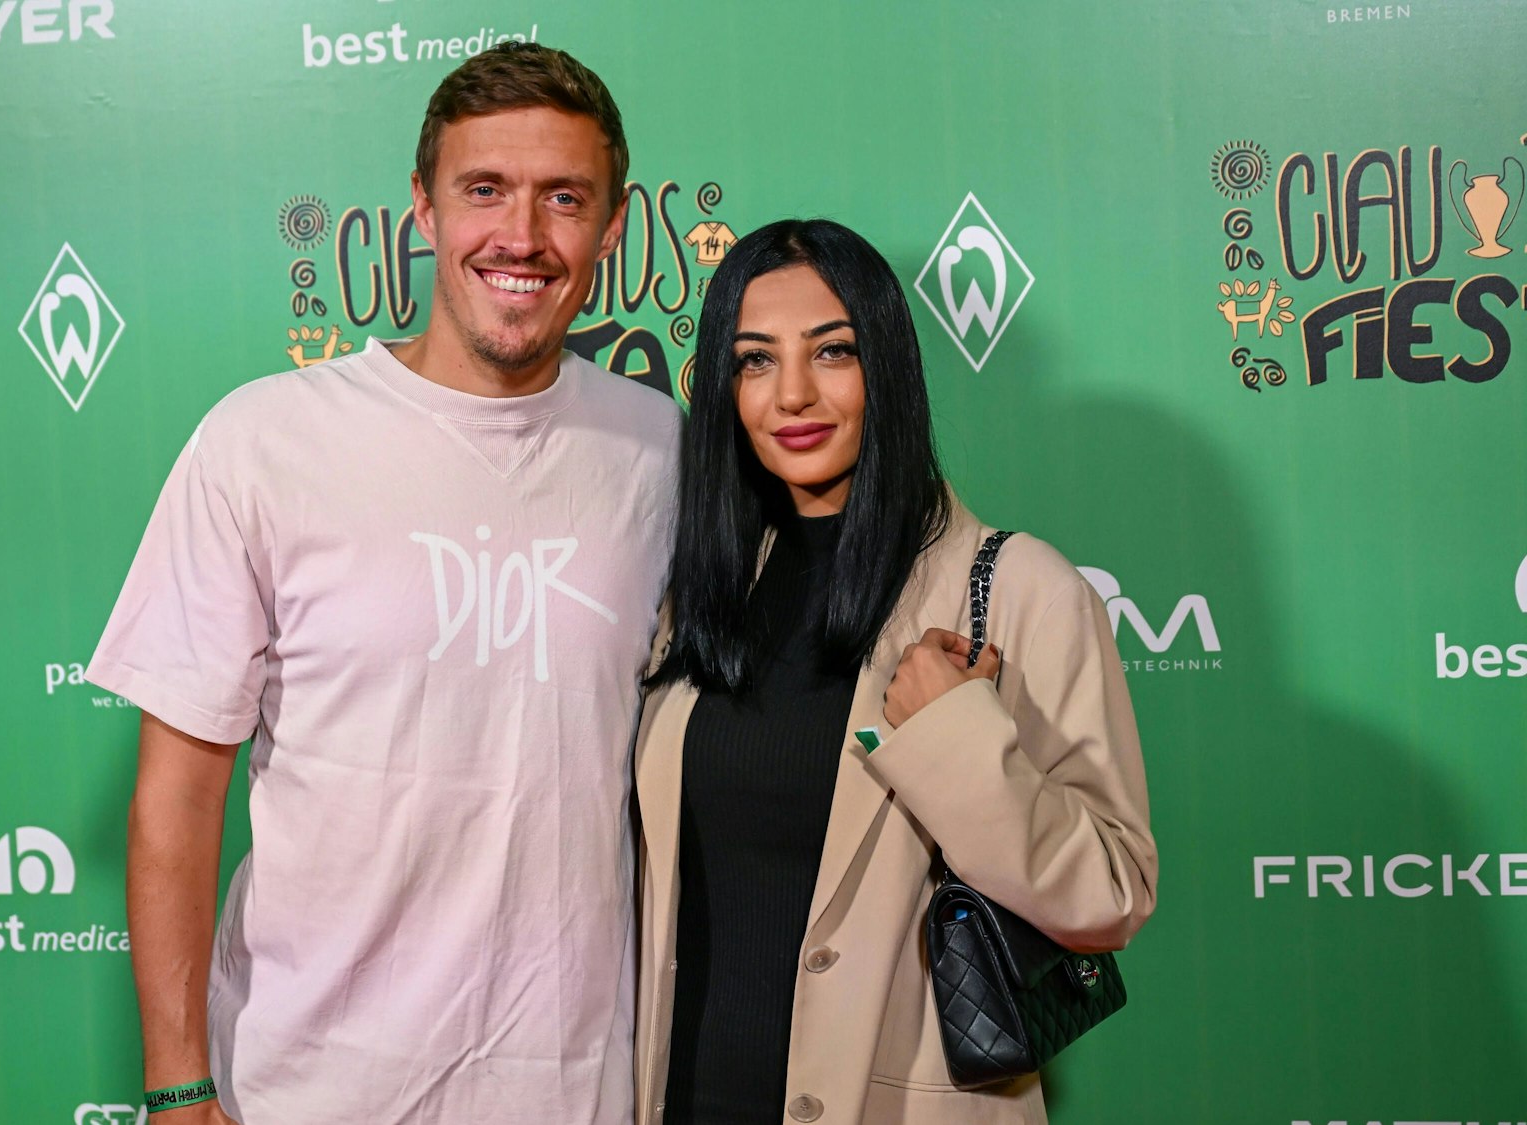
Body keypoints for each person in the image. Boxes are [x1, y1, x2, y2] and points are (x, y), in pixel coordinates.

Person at [86, 43, 681, 1125]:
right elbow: (175, 798)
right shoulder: (264, 441)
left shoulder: (663, 453)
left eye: (563, 198)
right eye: (483, 191)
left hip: (574, 1088)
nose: (522, 235)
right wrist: (177, 1087)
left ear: (612, 223)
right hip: (305, 1086)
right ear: (420, 207)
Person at [632, 219, 1157, 1125]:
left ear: (888, 367)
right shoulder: (700, 594)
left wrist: (955, 739)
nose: (792, 393)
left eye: (831, 351)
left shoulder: (1018, 585)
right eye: (756, 361)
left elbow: (1109, 894)